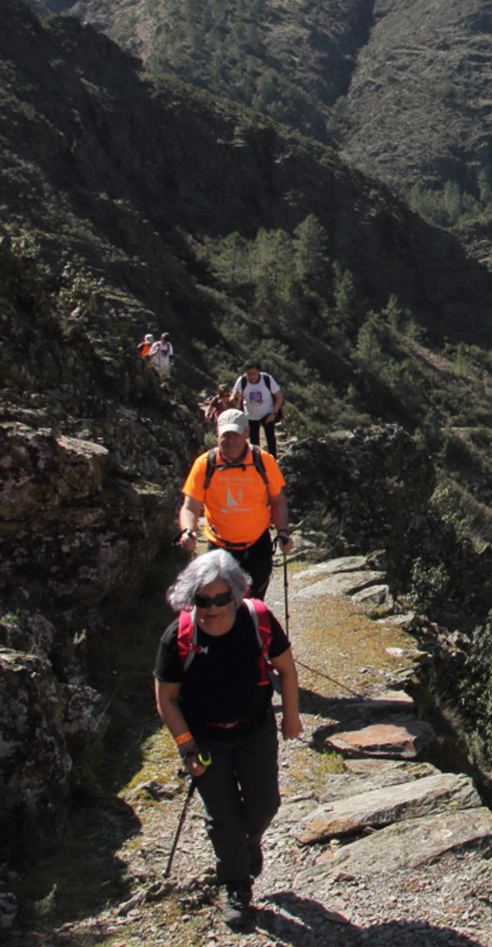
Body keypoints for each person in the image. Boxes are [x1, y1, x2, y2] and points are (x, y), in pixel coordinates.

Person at [154, 549, 301, 930]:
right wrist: (186, 745)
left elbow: (286, 670)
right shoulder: (179, 637)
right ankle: (237, 888)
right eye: (202, 601)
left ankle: (249, 844)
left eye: (221, 599)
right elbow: (166, 698)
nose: (212, 608)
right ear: (191, 599)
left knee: (264, 807)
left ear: (236, 595)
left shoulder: (258, 620)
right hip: (205, 741)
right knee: (223, 818)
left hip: (255, 731)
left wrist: (291, 716)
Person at [179, 409, 289, 600]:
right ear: (217, 434)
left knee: (253, 604)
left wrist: (283, 532)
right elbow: (190, 506)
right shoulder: (205, 464)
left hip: (258, 547)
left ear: (246, 433)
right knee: (221, 605)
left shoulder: (263, 461)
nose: (230, 440)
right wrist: (187, 530)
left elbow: (278, 501)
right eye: (225, 435)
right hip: (219, 548)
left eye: (235, 434)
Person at [231, 361, 284, 454]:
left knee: (270, 439)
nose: (251, 377)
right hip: (251, 415)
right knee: (254, 442)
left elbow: (279, 397)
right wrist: (234, 397)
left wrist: (273, 413)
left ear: (259, 371)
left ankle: (272, 461)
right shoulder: (242, 381)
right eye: (249, 374)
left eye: (254, 373)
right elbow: (234, 399)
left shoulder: (267, 379)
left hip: (267, 413)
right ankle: (256, 462)